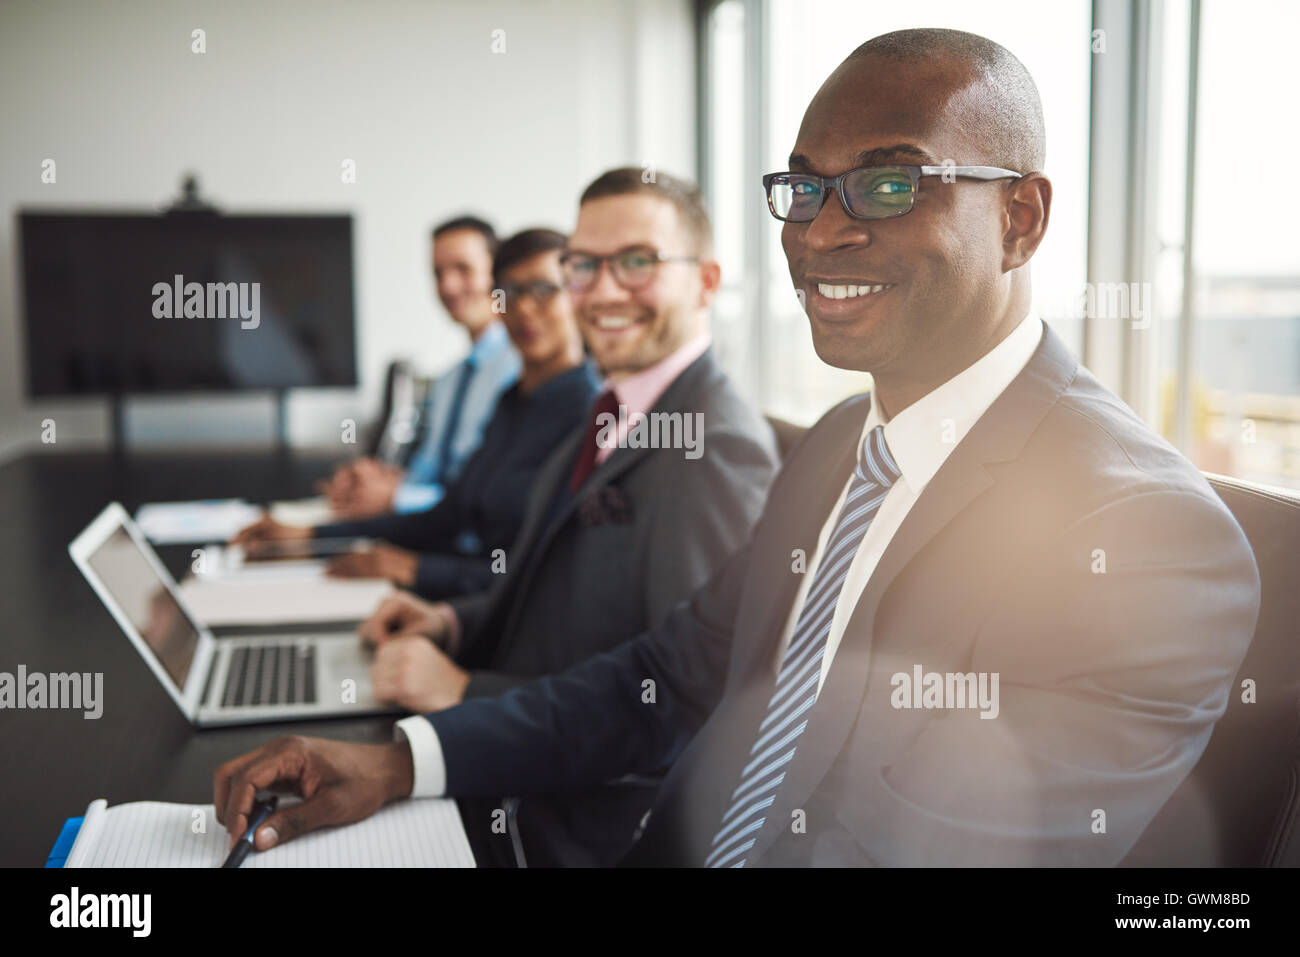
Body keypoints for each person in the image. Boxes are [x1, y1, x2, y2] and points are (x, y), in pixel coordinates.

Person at [214, 30, 1260, 868]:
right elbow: (668, 677)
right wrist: (403, 763)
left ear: (1020, 219)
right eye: (803, 188)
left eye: (889, 185)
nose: (821, 231)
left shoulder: (1137, 536)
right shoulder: (841, 448)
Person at [232, 229, 601, 600]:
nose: (523, 307)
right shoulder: (513, 402)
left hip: (502, 622)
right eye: (509, 291)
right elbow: (448, 516)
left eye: (543, 289)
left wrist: (413, 568)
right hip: (460, 600)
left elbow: (550, 574)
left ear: (578, 296)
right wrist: (310, 535)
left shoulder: (588, 411)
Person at [320, 216, 521, 519]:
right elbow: (428, 474)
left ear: (497, 272)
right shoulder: (448, 381)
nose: (448, 286)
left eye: (462, 269)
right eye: (438, 273)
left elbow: (492, 494)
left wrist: (398, 498)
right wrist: (372, 482)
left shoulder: (522, 371)